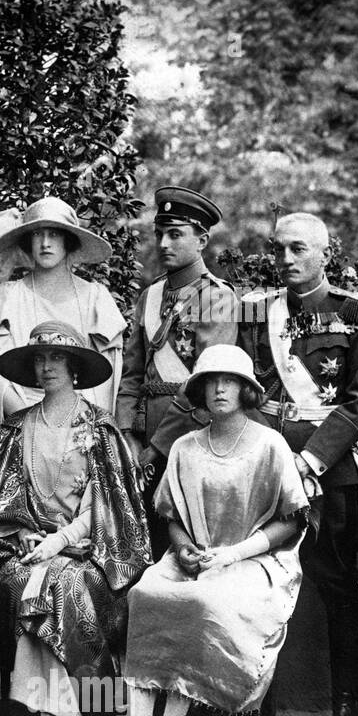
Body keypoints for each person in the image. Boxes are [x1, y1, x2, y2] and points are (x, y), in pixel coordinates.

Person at [116, 346, 309, 716]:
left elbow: (291, 521)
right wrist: (183, 547)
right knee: (145, 592)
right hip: (194, 558)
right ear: (199, 390)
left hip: (254, 562)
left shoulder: (269, 444)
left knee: (203, 601)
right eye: (210, 381)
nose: (220, 388)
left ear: (246, 390)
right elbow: (171, 514)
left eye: (230, 380)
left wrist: (234, 553)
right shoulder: (185, 446)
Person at [0, 321, 150, 716]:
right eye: (39, 358)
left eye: (56, 358)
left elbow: (113, 508)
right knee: (19, 579)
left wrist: (63, 540)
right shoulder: (16, 428)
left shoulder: (102, 428)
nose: (47, 367)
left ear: (74, 366)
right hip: (27, 551)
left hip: (94, 554)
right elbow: (2, 503)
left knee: (66, 584)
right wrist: (26, 534)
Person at [238, 212, 358, 716]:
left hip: (330, 467)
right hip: (268, 463)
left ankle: (346, 701)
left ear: (325, 253)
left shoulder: (356, 312)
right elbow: (245, 391)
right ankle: (244, 699)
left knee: (338, 584)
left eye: (299, 250)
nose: (287, 260)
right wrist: (276, 459)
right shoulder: (257, 314)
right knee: (251, 578)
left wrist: (311, 461)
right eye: (279, 250)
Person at [116, 187, 239, 555]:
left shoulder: (216, 298)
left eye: (176, 234)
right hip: (142, 437)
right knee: (144, 547)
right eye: (160, 234)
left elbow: (208, 382)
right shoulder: (150, 296)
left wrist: (156, 448)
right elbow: (132, 373)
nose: (164, 243)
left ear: (202, 240)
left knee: (189, 541)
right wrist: (127, 434)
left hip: (193, 436)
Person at [0, 197, 126, 448]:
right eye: (38, 234)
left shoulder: (95, 298)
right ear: (28, 241)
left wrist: (74, 423)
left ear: (68, 241)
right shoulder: (8, 296)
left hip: (80, 430)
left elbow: (106, 378)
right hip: (23, 426)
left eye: (54, 234)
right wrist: (33, 422)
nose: (46, 243)